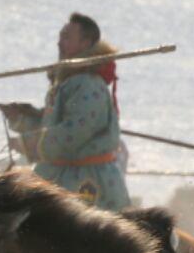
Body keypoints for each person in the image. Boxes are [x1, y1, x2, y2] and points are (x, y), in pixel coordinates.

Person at [32, 12, 130, 211]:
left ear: (85, 43)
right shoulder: (69, 82)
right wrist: (25, 118)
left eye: (66, 37)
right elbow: (53, 124)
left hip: (87, 182)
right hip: (61, 174)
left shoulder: (88, 84)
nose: (59, 43)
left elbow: (75, 132)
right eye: (60, 36)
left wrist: (30, 142)